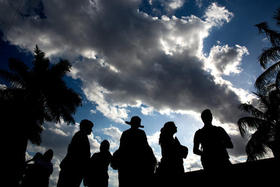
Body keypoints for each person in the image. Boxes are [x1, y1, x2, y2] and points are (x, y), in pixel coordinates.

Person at [114, 116, 157, 187]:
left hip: (126, 165)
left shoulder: (125, 133)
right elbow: (146, 147)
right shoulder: (141, 133)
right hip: (139, 165)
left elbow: (121, 148)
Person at [57, 119, 94, 187]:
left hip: (72, 169)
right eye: (90, 128)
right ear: (85, 127)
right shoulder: (81, 137)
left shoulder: (80, 136)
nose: (91, 130)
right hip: (73, 170)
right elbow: (83, 157)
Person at [157, 121, 188, 186]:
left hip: (176, 166)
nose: (176, 127)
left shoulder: (173, 139)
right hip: (171, 168)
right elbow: (174, 152)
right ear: (170, 128)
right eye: (174, 126)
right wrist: (183, 149)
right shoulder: (167, 139)